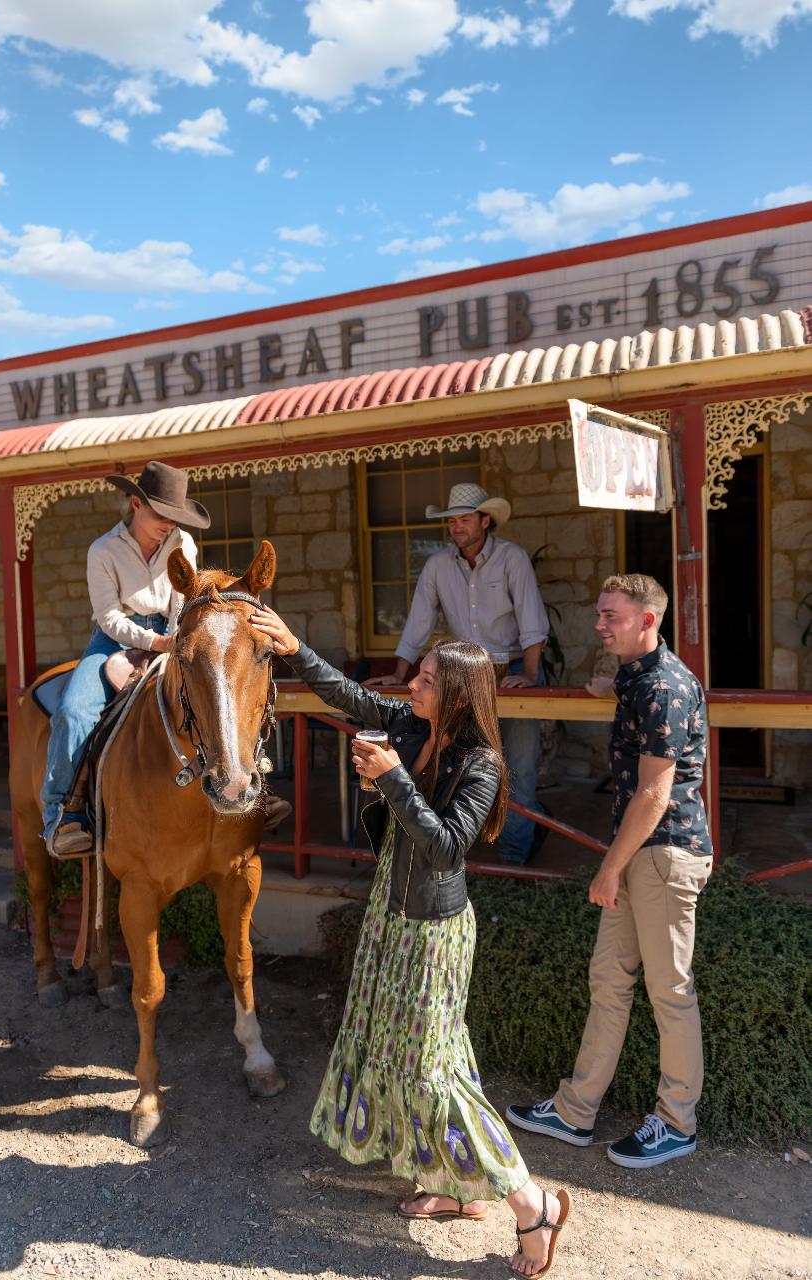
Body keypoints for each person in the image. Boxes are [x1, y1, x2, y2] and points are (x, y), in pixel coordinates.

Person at [249, 604, 572, 1278]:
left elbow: (447, 848)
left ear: (456, 695)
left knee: (430, 1072)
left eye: (424, 680)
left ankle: (531, 1205)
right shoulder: (408, 725)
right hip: (390, 921)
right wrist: (292, 647)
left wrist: (390, 777)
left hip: (431, 934)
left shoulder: (477, 764)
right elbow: (351, 695)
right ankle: (455, 1188)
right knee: (423, 1058)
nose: (410, 688)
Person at [506, 574, 713, 1169]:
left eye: (611, 616)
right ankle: (575, 1110)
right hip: (643, 850)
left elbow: (653, 794)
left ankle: (677, 1123)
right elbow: (636, 701)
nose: (600, 624)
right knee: (609, 980)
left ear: (647, 620)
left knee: (670, 991)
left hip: (663, 851)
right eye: (599, 613)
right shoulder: (640, 679)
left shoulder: (663, 689)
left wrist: (608, 869)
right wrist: (610, 689)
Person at [365, 483, 549, 865]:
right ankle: (456, 851)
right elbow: (418, 620)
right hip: (461, 676)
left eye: (465, 519)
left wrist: (529, 676)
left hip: (513, 668)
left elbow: (532, 619)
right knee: (458, 758)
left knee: (520, 766)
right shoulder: (437, 565)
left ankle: (513, 860)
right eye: (452, 521)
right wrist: (400, 672)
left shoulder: (511, 558)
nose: (457, 527)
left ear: (485, 520)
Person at [40, 460, 210, 855]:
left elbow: (182, 599)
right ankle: (63, 817)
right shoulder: (102, 550)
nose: (168, 523)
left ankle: (246, 790)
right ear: (136, 504)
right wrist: (154, 643)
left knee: (219, 689)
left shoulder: (183, 543)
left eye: (174, 515)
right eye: (160, 513)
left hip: (172, 632)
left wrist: (173, 638)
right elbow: (109, 617)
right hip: (113, 640)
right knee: (73, 711)